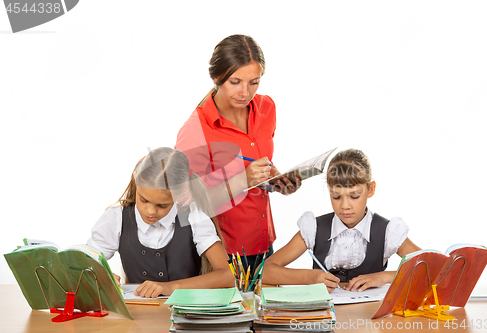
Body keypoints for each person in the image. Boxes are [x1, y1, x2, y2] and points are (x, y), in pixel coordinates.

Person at [175, 34, 301, 267]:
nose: (245, 92)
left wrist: (275, 179)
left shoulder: (266, 108)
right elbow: (187, 208)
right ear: (216, 77)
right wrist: (242, 179)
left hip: (264, 242)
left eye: (254, 82)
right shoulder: (195, 130)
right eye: (236, 82)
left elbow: (259, 162)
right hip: (222, 253)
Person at [263, 148, 421, 292]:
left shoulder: (387, 231)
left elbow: (430, 269)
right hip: (324, 318)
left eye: (354, 196)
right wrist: (309, 277)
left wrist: (384, 277)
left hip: (369, 319)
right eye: (336, 196)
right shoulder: (314, 228)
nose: (345, 206)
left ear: (370, 189)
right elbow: (264, 272)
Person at [87, 147, 233, 298]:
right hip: (136, 317)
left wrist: (171, 287)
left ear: (181, 191)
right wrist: (99, 273)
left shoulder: (194, 217)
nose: (150, 211)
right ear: (136, 179)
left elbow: (228, 275)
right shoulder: (117, 218)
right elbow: (81, 262)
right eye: (143, 200)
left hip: (185, 315)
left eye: (162, 205)